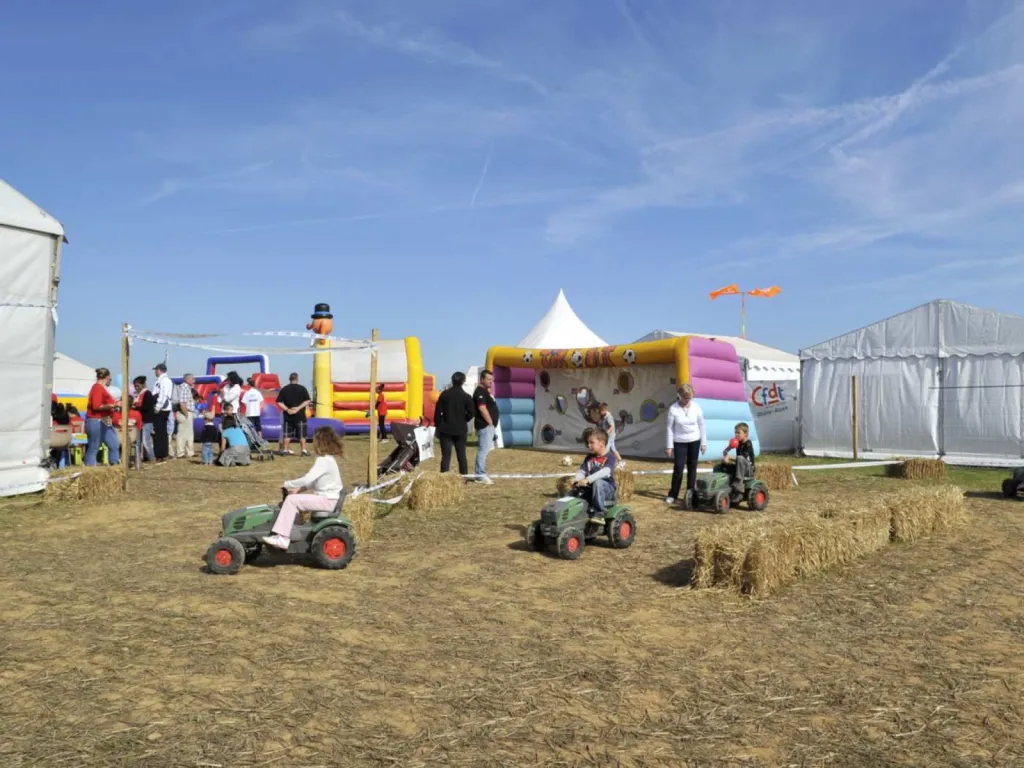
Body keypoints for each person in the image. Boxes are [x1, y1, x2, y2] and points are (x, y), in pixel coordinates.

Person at [261, 427, 345, 550]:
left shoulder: (323, 460)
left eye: (314, 440)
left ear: (320, 442)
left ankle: (282, 538)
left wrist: (287, 484)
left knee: (291, 501)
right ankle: (292, 529)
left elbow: (307, 479)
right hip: (328, 499)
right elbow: (314, 482)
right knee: (293, 497)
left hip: (327, 500)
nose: (312, 443)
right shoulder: (328, 459)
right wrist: (298, 490)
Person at [665, 383, 707, 504]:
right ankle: (673, 494)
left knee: (692, 466)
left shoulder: (697, 407)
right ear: (680, 395)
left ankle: (690, 493)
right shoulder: (673, 409)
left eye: (690, 397)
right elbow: (669, 428)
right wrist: (669, 446)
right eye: (685, 397)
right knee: (679, 467)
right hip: (679, 441)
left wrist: (704, 443)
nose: (687, 400)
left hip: (694, 440)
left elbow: (702, 425)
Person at [572, 427, 618, 524]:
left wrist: (588, 479)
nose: (589, 445)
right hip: (592, 488)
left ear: (602, 443)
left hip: (607, 490)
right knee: (574, 490)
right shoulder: (589, 457)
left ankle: (599, 513)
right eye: (588, 443)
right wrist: (577, 480)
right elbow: (582, 471)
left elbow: (606, 471)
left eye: (591, 442)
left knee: (598, 482)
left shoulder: (610, 457)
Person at [434, 372, 475, 475]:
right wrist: (464, 419)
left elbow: (437, 412)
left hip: (446, 429)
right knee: (461, 456)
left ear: (452, 381)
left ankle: (444, 478)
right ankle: (464, 477)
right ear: (463, 381)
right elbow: (472, 413)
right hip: (460, 429)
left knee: (446, 457)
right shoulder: (466, 396)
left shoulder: (444, 394)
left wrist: (438, 425)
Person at [85, 368, 121, 466]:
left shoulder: (101, 388)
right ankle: (89, 467)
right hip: (95, 419)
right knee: (94, 446)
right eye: (110, 378)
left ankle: (114, 463)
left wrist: (114, 405)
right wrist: (113, 405)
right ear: (107, 377)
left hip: (105, 419)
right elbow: (96, 406)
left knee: (114, 443)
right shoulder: (97, 388)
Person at [472, 369, 499, 484]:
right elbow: (482, 408)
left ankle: (480, 473)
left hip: (488, 426)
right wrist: (490, 422)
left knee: (485, 450)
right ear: (482, 379)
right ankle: (480, 475)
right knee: (483, 450)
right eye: (488, 379)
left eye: (492, 380)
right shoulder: (479, 392)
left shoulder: (485, 392)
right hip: (485, 426)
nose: (490, 381)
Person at [277, 372, 312, 456]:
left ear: (289, 379)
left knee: (287, 434)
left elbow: (279, 402)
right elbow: (307, 400)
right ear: (297, 379)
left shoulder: (284, 389)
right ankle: (303, 451)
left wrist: (287, 409)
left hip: (288, 415)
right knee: (302, 434)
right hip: (300, 415)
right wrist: (298, 408)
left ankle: (285, 450)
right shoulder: (302, 388)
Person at [720, 422, 756, 496]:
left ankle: (739, 485)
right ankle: (721, 484)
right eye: (735, 432)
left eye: (738, 432)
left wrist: (730, 457)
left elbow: (742, 458)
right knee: (720, 465)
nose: (736, 435)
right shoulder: (738, 442)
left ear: (745, 434)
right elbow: (725, 452)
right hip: (739, 466)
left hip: (748, 470)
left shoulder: (748, 443)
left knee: (740, 458)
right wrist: (727, 450)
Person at [151, 363, 174, 461]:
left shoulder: (164, 380)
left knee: (159, 432)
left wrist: (157, 407)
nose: (155, 372)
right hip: (162, 407)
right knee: (162, 432)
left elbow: (163, 395)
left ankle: (160, 454)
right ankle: (162, 453)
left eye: (156, 370)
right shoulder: (160, 380)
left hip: (162, 408)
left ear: (159, 370)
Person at [133, 375, 156, 462]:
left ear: (143, 385)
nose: (136, 388)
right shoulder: (137, 395)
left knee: (146, 440)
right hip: (139, 420)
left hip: (147, 420)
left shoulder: (147, 394)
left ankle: (151, 457)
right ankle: (139, 457)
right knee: (138, 441)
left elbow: (146, 407)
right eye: (135, 386)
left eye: (138, 386)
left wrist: (136, 408)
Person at [174, 373, 196, 459]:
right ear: (188, 380)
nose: (194, 381)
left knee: (189, 434)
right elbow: (182, 403)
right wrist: (186, 414)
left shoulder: (186, 387)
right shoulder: (184, 388)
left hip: (187, 412)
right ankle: (180, 453)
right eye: (193, 379)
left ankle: (190, 452)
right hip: (185, 412)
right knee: (182, 434)